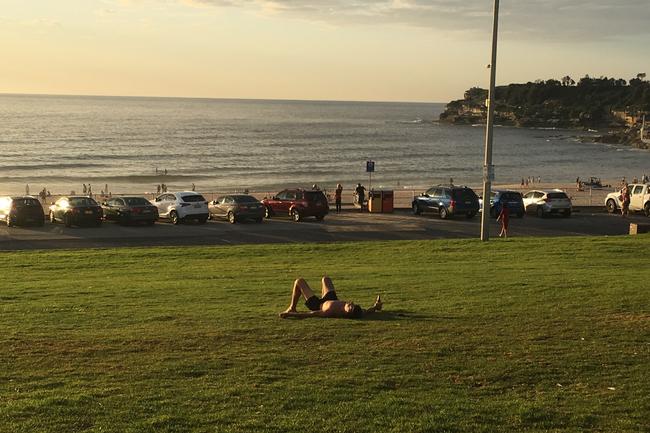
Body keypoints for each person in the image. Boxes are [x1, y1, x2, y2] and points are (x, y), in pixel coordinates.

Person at [279, 276, 382, 319]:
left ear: (347, 312)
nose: (351, 303)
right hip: (331, 299)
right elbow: (367, 311)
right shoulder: (358, 311)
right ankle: (323, 294)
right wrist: (376, 306)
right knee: (326, 279)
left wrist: (289, 314)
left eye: (350, 306)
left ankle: (292, 307)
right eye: (353, 304)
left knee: (299, 281)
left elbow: (310, 314)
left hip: (317, 304)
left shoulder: (330, 311)